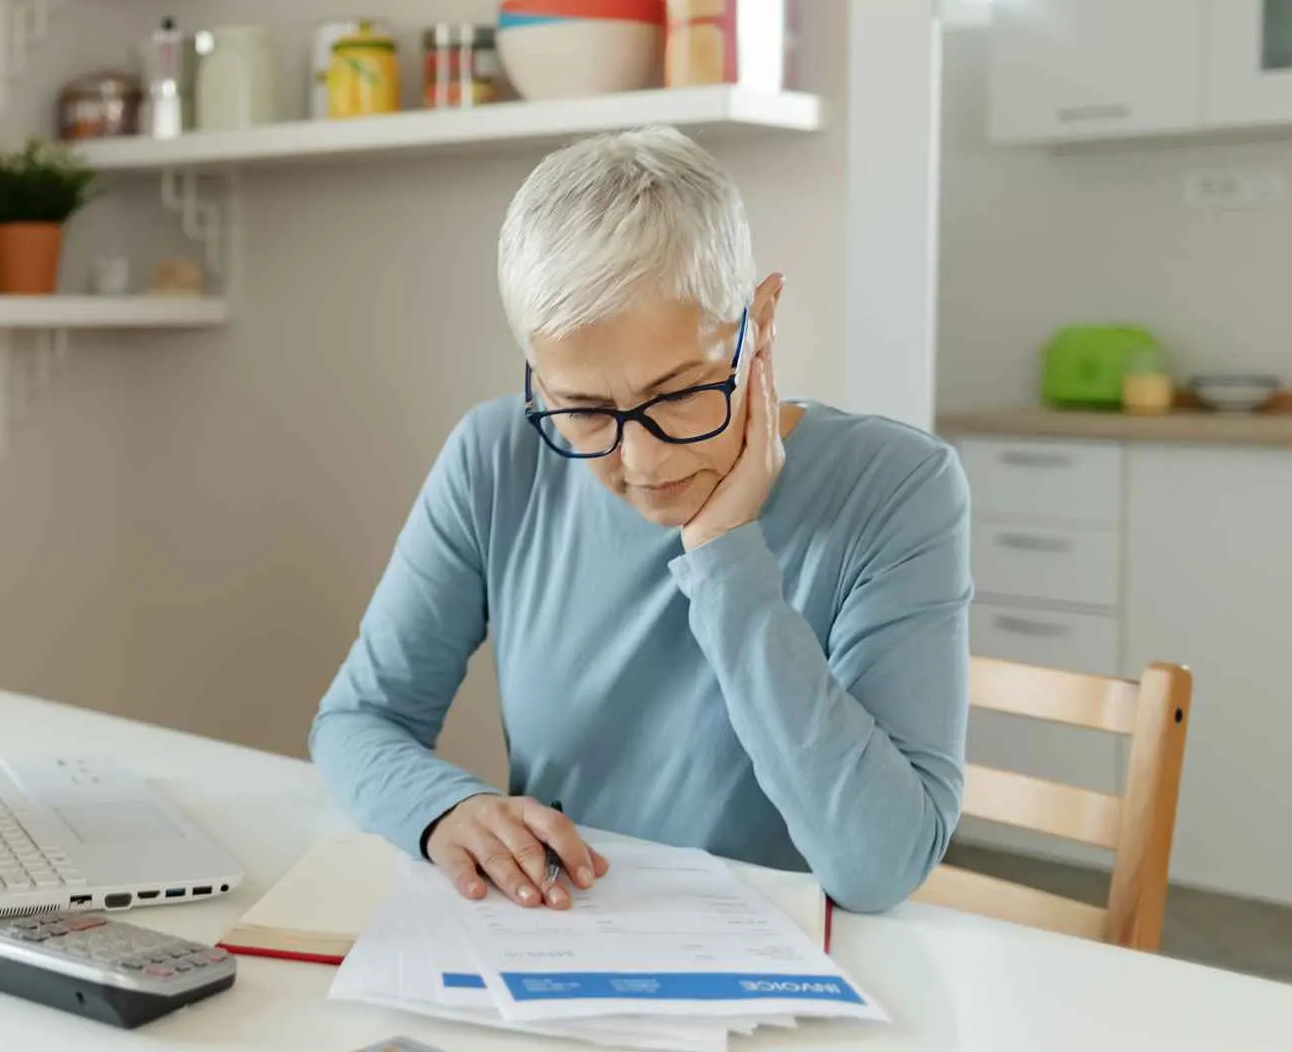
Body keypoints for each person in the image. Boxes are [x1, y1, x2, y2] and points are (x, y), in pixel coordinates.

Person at [308, 126, 971, 915]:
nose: (645, 461)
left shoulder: (897, 487)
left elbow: (878, 866)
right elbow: (360, 719)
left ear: (759, 326)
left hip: (796, 989)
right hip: (554, 955)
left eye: (683, 391)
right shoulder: (497, 456)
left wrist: (726, 558)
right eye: (584, 410)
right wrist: (446, 808)